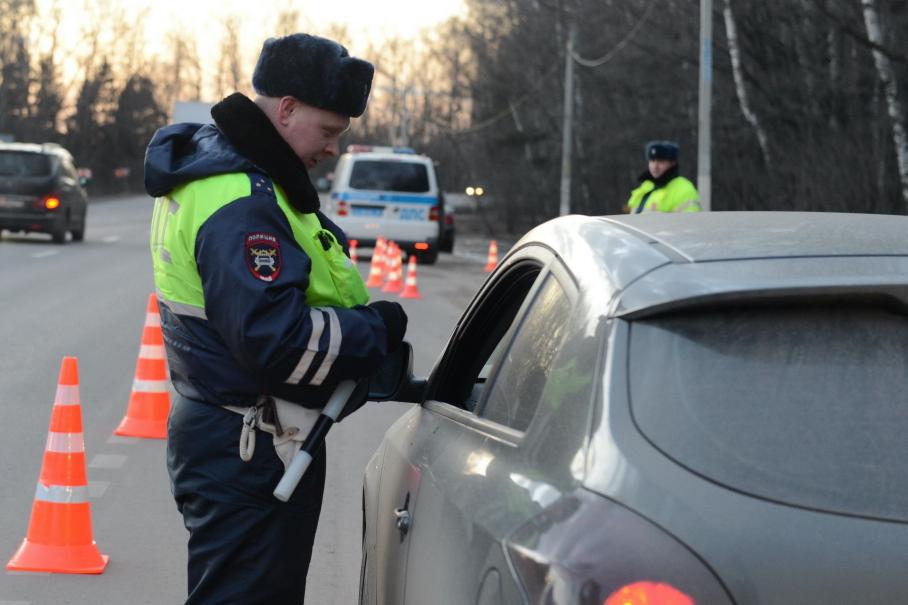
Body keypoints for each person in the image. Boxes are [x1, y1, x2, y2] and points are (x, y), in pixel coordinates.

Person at [143, 33, 408, 604]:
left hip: (234, 432)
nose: (334, 148)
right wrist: (375, 331)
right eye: (330, 131)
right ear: (286, 109)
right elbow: (279, 341)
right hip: (250, 445)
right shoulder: (242, 199)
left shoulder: (226, 176)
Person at [625, 140, 701, 213]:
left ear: (673, 163)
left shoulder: (684, 189)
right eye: (652, 161)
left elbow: (689, 223)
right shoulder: (646, 187)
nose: (655, 166)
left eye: (661, 162)